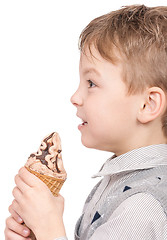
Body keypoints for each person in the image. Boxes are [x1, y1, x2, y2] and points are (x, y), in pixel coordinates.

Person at [5, 4, 167, 240]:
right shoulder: (124, 182)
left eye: (91, 83)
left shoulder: (141, 206)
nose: (75, 97)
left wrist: (50, 228)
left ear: (147, 104)